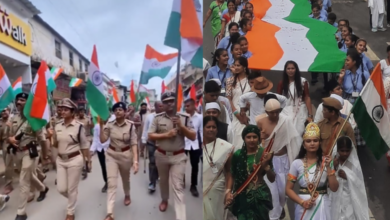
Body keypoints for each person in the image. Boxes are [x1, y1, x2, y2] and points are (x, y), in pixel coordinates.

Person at [148, 92, 196, 220]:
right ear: (162, 104)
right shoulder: (157, 118)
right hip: (161, 155)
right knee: (163, 181)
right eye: (166, 101)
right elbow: (150, 135)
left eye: (172, 101)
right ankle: (164, 199)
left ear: (176, 102)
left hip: (178, 157)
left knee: (178, 186)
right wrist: (166, 135)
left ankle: (181, 216)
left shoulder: (184, 117)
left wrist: (181, 126)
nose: (169, 103)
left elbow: (193, 136)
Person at [257, 97, 301, 220]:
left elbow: (293, 140)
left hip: (283, 160)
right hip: (269, 162)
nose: (275, 114)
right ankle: (274, 216)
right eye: (272, 112)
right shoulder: (260, 122)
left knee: (283, 192)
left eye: (277, 111)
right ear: (266, 112)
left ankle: (279, 209)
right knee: (272, 193)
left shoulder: (285, 121)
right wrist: (262, 138)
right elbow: (258, 143)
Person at [7, 92, 50, 220]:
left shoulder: (34, 119)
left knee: (23, 181)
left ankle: (21, 212)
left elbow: (42, 140)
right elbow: (9, 136)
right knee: (29, 175)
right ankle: (43, 188)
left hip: (29, 153)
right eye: (17, 100)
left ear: (28, 103)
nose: (19, 102)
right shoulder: (13, 118)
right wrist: (10, 140)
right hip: (17, 153)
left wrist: (45, 156)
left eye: (22, 100)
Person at [286, 123, 339, 220]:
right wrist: (302, 202)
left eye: (315, 140)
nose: (312, 143)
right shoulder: (296, 164)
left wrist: (328, 167)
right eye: (308, 141)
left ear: (319, 143)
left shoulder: (326, 161)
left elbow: (334, 188)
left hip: (322, 203)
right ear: (304, 144)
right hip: (304, 205)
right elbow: (288, 189)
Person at [52, 98, 91, 220]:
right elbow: (55, 144)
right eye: (61, 109)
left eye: (66, 109)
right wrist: (50, 137)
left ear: (72, 111)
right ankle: (73, 197)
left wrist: (88, 161)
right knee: (61, 188)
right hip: (61, 160)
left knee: (71, 188)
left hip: (74, 160)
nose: (62, 112)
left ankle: (70, 212)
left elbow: (84, 145)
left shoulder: (79, 127)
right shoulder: (57, 125)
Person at [226, 125, 275, 220]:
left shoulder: (265, 154)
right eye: (248, 137)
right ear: (244, 138)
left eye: (254, 137)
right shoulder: (238, 155)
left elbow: (272, 179)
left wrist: (266, 167)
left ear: (258, 138)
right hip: (243, 196)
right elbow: (232, 175)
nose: (251, 140)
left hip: (261, 195)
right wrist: (228, 191)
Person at [99, 102, 139, 220]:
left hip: (126, 155)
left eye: (120, 109)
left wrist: (135, 161)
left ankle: (127, 194)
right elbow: (103, 140)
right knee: (112, 183)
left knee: (125, 179)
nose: (117, 111)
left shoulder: (130, 126)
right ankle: (110, 213)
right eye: (115, 110)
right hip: (111, 155)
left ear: (125, 112)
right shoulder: (110, 125)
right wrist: (101, 126)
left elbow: (134, 144)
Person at [203, 116, 234, 220]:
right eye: (208, 127)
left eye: (214, 127)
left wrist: (228, 191)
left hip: (218, 190)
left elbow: (229, 171)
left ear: (217, 129)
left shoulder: (225, 147)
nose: (211, 129)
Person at [331, 136, 370, 220]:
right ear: (337, 150)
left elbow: (359, 184)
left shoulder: (354, 164)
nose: (345, 153)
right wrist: (333, 167)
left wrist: (347, 177)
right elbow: (327, 179)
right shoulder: (333, 162)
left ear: (351, 150)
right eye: (342, 151)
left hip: (349, 199)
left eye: (347, 151)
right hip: (334, 198)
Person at [277, 61, 313, 136]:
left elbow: (307, 97)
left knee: (300, 131)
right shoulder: (282, 83)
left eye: (292, 68)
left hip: (301, 110)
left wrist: (310, 115)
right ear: (285, 70)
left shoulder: (303, 81)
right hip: (287, 110)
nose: (290, 70)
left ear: (296, 69)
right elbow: (278, 99)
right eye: (288, 68)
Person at [142, 101, 164, 192]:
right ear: (155, 107)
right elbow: (145, 129)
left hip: (162, 143)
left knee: (159, 162)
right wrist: (144, 139)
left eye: (163, 106)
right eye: (160, 106)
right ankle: (152, 182)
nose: (162, 107)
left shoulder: (166, 116)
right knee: (152, 162)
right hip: (151, 142)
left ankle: (158, 175)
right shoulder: (149, 117)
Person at [184, 99, 203, 197]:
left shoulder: (199, 117)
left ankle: (193, 185)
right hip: (184, 144)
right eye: (185, 106)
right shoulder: (182, 117)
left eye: (188, 106)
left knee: (195, 166)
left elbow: (201, 131)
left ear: (193, 106)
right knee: (181, 163)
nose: (186, 108)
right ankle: (181, 180)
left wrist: (202, 143)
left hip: (195, 144)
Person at [90, 117, 110, 193]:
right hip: (100, 150)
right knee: (103, 167)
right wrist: (92, 150)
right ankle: (106, 182)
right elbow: (95, 139)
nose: (102, 118)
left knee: (110, 167)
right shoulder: (97, 126)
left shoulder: (111, 125)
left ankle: (112, 182)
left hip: (109, 149)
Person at [76, 107, 92, 180]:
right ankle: (84, 168)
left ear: (84, 112)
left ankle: (88, 165)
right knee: (81, 155)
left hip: (87, 138)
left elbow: (92, 127)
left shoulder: (87, 119)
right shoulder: (76, 120)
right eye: (80, 112)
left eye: (82, 112)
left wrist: (91, 121)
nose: (81, 113)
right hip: (79, 140)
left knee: (86, 154)